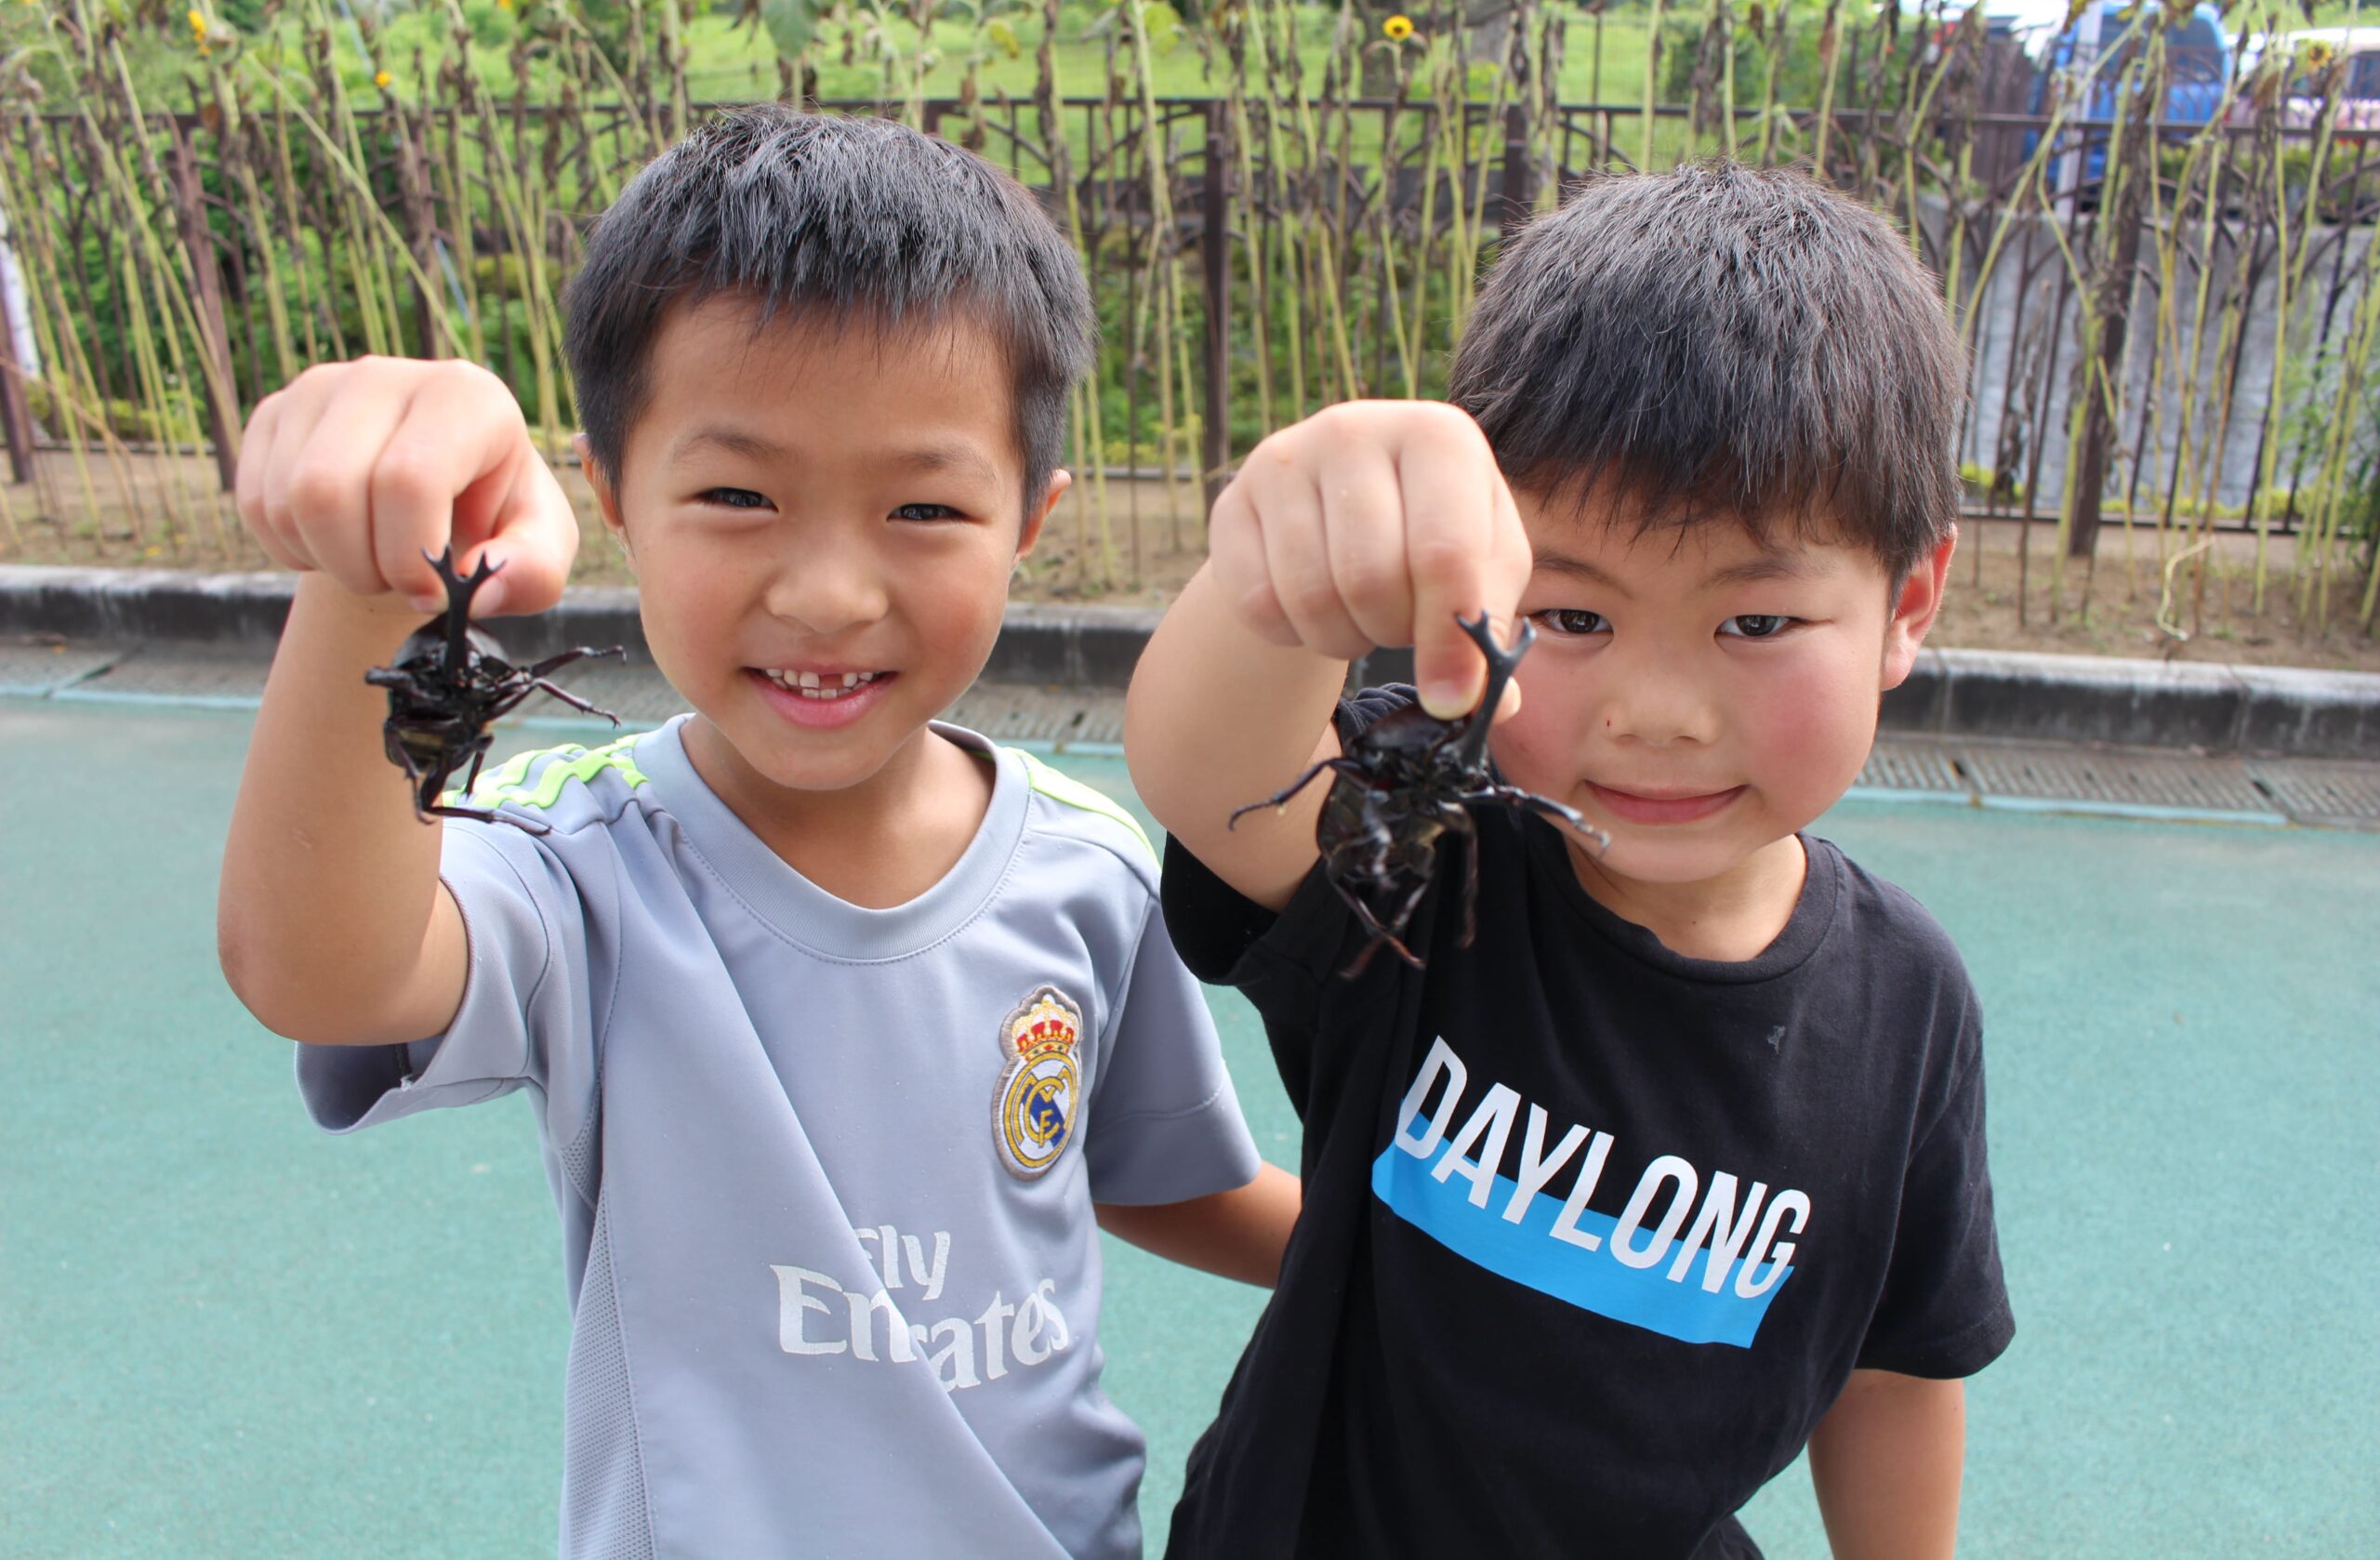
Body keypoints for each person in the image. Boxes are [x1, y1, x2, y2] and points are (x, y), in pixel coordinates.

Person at [215, 105, 1297, 1560]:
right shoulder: (575, 864)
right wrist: (368, 579)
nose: (832, 593)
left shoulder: (1089, 869)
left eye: (923, 506)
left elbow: (1160, 1175)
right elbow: (321, 971)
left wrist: (1425, 1268)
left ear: (1030, 520)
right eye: (737, 496)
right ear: (613, 496)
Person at [1125, 162, 2015, 1559]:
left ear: (1906, 605)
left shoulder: (1909, 1006)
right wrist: (1275, 573)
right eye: (1574, 619)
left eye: (1757, 623)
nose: (1659, 712)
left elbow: (1899, 1357)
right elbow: (1217, 788)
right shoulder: (1442, 861)